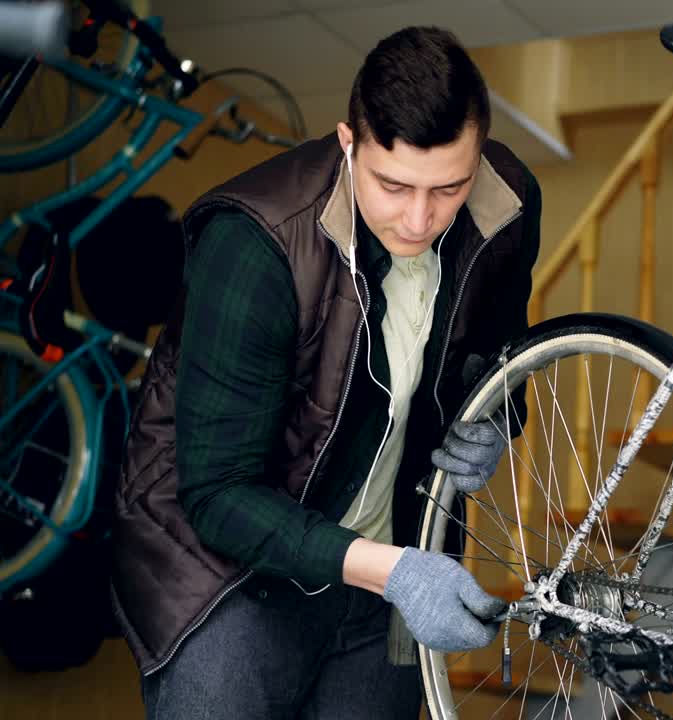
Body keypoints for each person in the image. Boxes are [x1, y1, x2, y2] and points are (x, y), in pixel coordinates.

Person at [109, 25, 541, 719]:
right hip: (234, 573)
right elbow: (218, 493)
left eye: (449, 187)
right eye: (393, 185)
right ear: (348, 143)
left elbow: (499, 356)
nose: (420, 218)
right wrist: (394, 570)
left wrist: (493, 420)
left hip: (390, 571)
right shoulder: (255, 243)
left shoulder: (506, 205)